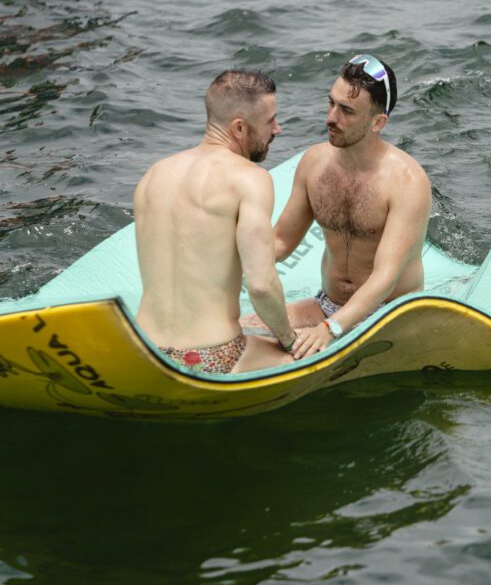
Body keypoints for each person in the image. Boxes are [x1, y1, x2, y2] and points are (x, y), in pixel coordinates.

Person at [134, 69, 297, 374]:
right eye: (270, 121)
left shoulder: (154, 174)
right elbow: (261, 285)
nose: (278, 128)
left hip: (144, 349)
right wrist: (288, 340)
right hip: (212, 355)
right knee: (308, 351)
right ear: (239, 128)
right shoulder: (250, 179)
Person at [274, 54, 432, 359]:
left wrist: (330, 329)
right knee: (242, 328)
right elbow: (280, 241)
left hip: (389, 314)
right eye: (331, 103)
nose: (331, 118)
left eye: (346, 111)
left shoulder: (407, 181)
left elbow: (384, 277)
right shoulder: (314, 164)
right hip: (328, 305)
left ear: (378, 122)